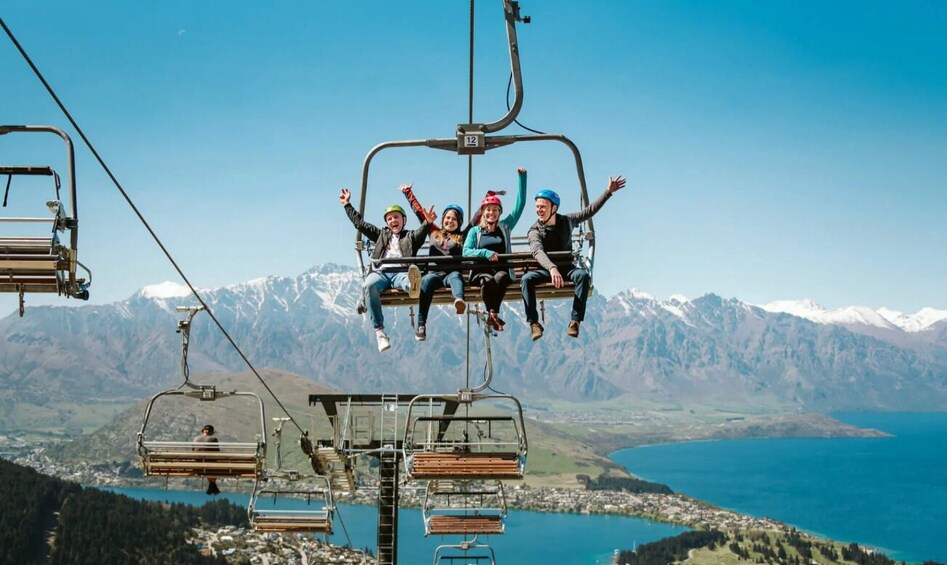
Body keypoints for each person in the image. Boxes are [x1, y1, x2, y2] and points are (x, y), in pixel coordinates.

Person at [522, 175, 626, 340]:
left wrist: (608, 192)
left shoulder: (566, 221)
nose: (539, 210)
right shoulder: (534, 230)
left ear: (553, 208)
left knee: (583, 276)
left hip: (566, 269)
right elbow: (537, 251)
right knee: (527, 279)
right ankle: (534, 323)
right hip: (546, 270)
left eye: (543, 206)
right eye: (537, 207)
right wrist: (552, 268)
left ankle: (575, 321)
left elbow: (589, 211)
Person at [341, 186, 429, 352]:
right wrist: (347, 205)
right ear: (386, 223)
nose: (393, 221)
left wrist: (427, 222)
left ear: (404, 220)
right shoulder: (381, 235)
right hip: (381, 272)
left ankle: (413, 285)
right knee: (369, 285)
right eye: (389, 219)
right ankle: (380, 332)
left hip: (401, 272)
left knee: (407, 280)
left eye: (396, 217)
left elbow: (423, 230)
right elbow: (360, 224)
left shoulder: (411, 237)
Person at [401, 185, 472, 341]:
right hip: (435, 273)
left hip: (451, 273)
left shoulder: (462, 236)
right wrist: (408, 193)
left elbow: (476, 220)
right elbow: (420, 213)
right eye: (447, 218)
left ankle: (459, 300)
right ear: (443, 219)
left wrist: (488, 198)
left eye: (454, 219)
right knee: (426, 282)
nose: (450, 221)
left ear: (459, 222)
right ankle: (421, 325)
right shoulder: (434, 231)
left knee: (456, 277)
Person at [463, 168, 528, 331]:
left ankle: (492, 314)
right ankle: (494, 314)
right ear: (483, 213)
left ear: (499, 213)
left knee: (500, 279)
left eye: (495, 210)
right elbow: (466, 251)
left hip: (502, 270)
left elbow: (520, 206)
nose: (491, 213)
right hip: (480, 271)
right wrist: (485, 253)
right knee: (487, 281)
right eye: (488, 210)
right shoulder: (475, 231)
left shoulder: (505, 227)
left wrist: (522, 178)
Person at [194, 424, 221, 495]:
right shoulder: (213, 439)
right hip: (209, 463)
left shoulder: (196, 438)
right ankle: (212, 485)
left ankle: (212, 486)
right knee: (214, 465)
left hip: (198, 462)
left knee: (209, 466)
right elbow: (217, 451)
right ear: (211, 432)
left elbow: (193, 449)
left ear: (203, 431)